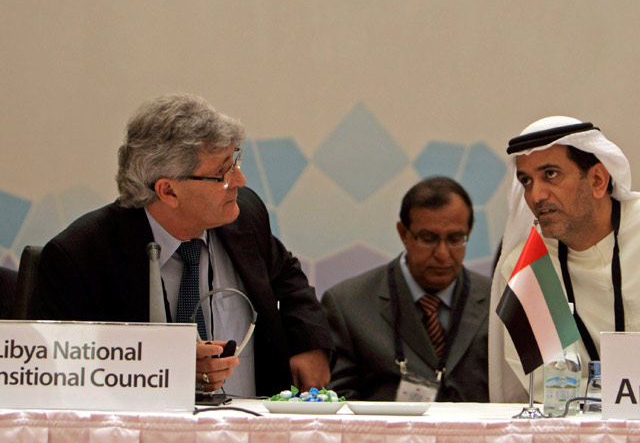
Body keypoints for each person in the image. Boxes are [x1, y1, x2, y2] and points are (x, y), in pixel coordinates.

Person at [34, 93, 333, 397]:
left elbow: (286, 275)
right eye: (222, 173)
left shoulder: (245, 215)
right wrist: (168, 371)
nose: (239, 180)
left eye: (235, 162)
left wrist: (310, 342)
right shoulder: (80, 258)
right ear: (168, 191)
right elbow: (66, 376)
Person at [488, 116, 640, 402]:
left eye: (551, 174)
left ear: (597, 180)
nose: (536, 195)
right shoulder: (529, 269)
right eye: (526, 181)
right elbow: (548, 388)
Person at [321, 177, 490, 402]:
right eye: (428, 239)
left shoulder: (497, 301)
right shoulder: (348, 305)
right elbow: (338, 402)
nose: (442, 254)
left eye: (455, 239)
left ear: (469, 231)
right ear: (403, 233)